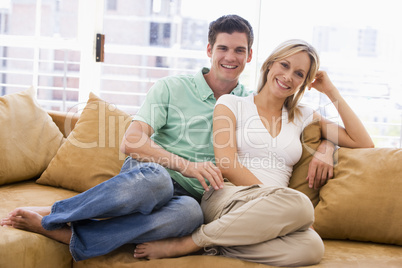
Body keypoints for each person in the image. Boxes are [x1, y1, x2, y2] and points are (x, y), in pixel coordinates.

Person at [1, 16, 334, 262]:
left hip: (191, 199)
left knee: (189, 216)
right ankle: (57, 213)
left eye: (239, 50)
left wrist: (326, 144)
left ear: (250, 57)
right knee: (158, 182)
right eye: (222, 48)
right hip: (151, 176)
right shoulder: (171, 88)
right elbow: (131, 143)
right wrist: (187, 166)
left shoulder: (249, 101)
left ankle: (68, 234)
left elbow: (306, 121)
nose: (230, 57)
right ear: (209, 49)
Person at [132, 39, 374, 266]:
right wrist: (273, 197)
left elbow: (363, 142)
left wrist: (328, 127)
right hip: (228, 196)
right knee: (301, 205)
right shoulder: (231, 103)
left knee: (312, 248)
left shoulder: (304, 115)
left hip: (272, 211)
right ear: (269, 65)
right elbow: (226, 163)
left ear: (304, 82)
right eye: (285, 65)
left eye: (299, 74)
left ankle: (213, 244)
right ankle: (189, 242)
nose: (288, 77)